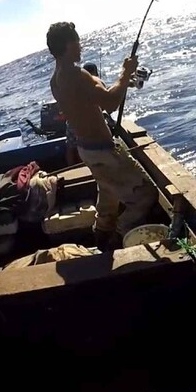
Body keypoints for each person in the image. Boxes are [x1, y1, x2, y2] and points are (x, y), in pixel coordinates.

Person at [47, 21, 158, 250]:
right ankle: (121, 233)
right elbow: (110, 103)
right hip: (103, 151)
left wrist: (108, 82)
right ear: (68, 44)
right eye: (77, 42)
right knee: (146, 195)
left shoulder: (55, 79)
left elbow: (83, 101)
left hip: (86, 150)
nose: (80, 46)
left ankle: (101, 235)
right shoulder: (77, 74)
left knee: (108, 194)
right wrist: (126, 74)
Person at [65, 63, 103, 166]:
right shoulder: (95, 87)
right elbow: (110, 106)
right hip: (94, 149)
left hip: (82, 148)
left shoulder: (75, 91)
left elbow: (70, 148)